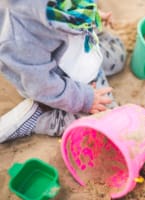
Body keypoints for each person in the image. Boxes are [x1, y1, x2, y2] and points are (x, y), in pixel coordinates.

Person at [0, 0, 126, 143]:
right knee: (106, 119)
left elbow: (71, 5)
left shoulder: (55, 6)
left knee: (118, 54)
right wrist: (84, 98)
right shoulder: (20, 38)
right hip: (58, 83)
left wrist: (91, 15)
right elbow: (42, 86)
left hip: (78, 52)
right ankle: (39, 119)